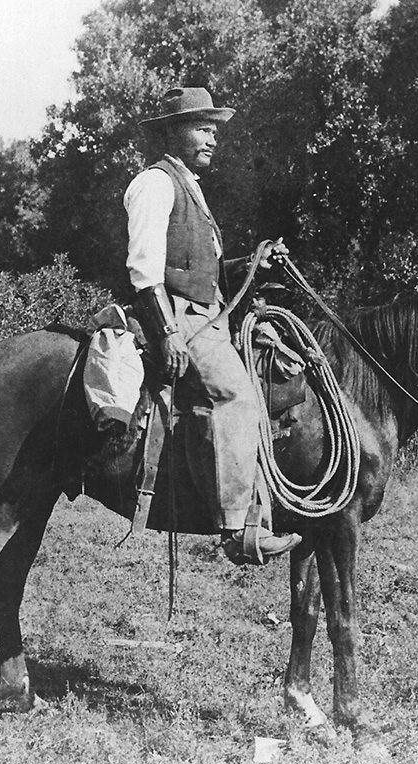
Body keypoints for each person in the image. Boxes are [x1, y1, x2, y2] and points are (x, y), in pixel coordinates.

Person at [126, 86, 301, 563]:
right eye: (203, 129)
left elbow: (199, 271)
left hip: (211, 317)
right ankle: (236, 529)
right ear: (173, 132)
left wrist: (254, 264)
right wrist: (166, 334)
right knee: (234, 397)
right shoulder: (155, 184)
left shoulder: (190, 187)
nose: (213, 139)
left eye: (214, 130)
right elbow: (144, 270)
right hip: (182, 318)